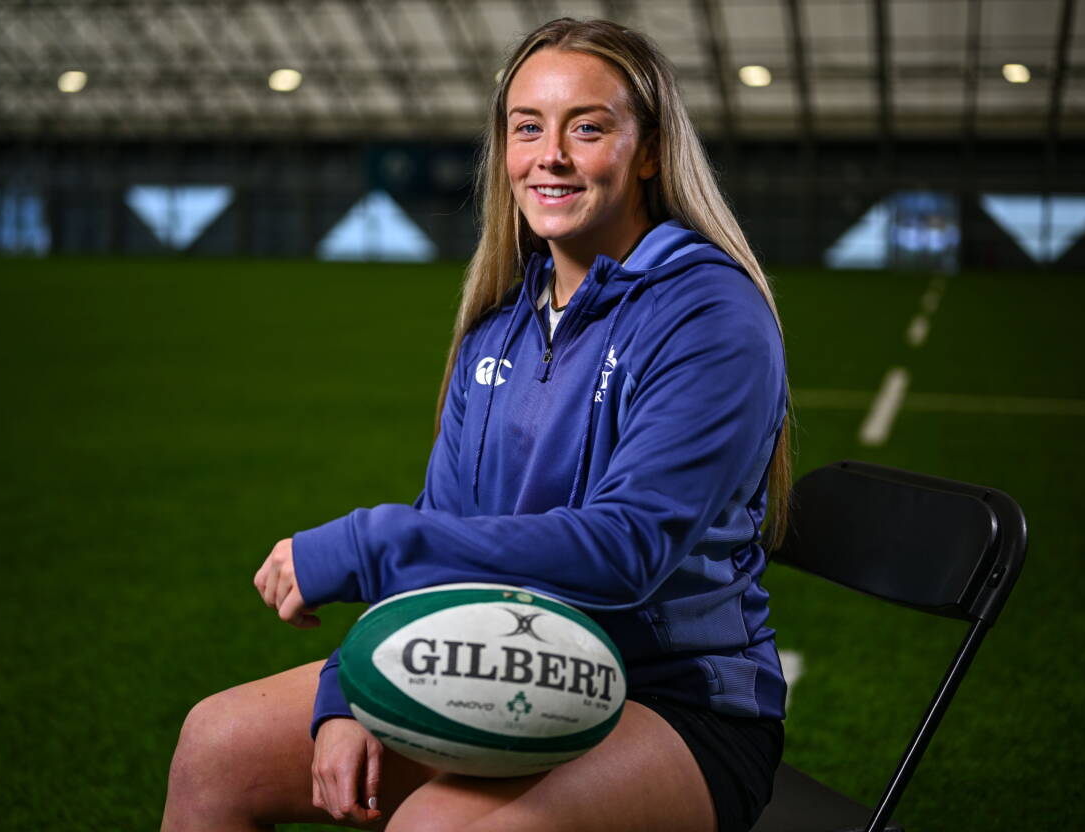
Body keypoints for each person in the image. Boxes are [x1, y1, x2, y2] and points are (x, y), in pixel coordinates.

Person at [162, 17, 792, 832]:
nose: (550, 155)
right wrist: (350, 688)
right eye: (527, 128)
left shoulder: (708, 314)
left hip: (676, 699)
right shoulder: (500, 320)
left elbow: (625, 551)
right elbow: (447, 525)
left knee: (438, 827)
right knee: (214, 746)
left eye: (588, 127)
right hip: (501, 654)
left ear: (648, 151)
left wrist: (367, 546)